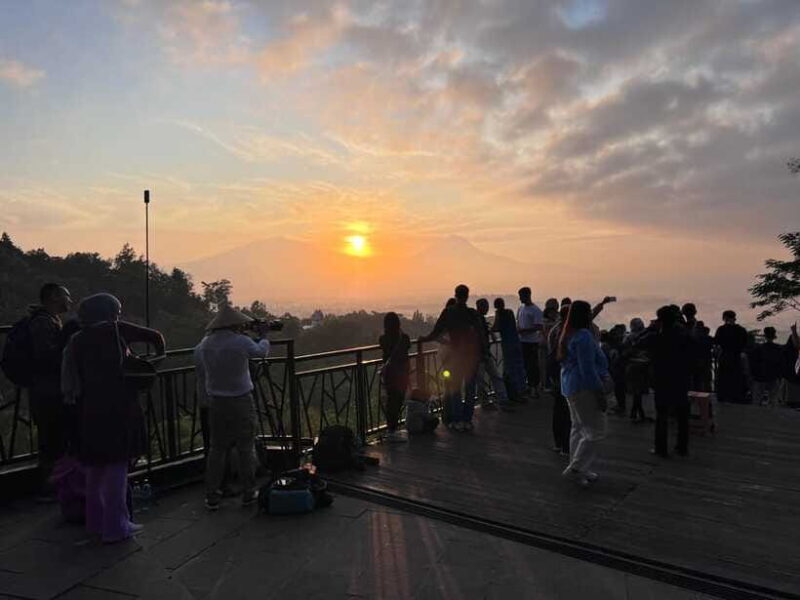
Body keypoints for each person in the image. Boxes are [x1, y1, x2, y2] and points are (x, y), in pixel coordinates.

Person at [61, 293, 165, 543]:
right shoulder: (113, 331)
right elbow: (155, 337)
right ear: (108, 313)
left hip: (88, 409)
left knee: (95, 469)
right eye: (117, 311)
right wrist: (156, 361)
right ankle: (116, 526)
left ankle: (95, 522)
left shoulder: (77, 340)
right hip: (118, 407)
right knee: (117, 468)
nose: (118, 316)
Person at [194, 305, 270, 511]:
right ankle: (248, 492)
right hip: (241, 400)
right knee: (245, 446)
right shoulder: (241, 341)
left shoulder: (205, 344)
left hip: (216, 401)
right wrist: (264, 336)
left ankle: (212, 495)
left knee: (217, 449)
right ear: (236, 324)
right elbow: (260, 352)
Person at [28, 283, 73, 498]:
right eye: (66, 296)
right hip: (47, 392)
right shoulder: (42, 323)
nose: (69, 301)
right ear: (54, 297)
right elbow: (47, 358)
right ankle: (50, 490)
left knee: (55, 440)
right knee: (51, 440)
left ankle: (57, 487)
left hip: (48, 390)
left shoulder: (49, 321)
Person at [557, 301, 609, 487]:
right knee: (596, 431)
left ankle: (579, 469)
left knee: (578, 428)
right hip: (584, 388)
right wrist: (599, 393)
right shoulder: (584, 336)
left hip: (570, 386)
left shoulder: (567, 334)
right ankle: (575, 469)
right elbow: (587, 369)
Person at [420, 285, 482, 432]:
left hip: (455, 356)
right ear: (467, 296)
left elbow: (436, 332)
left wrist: (424, 339)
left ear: (455, 295)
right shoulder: (471, 313)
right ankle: (467, 419)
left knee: (455, 389)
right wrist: (482, 353)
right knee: (470, 388)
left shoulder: (449, 312)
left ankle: (457, 419)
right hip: (471, 356)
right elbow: (480, 334)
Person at [639, 306, 695, 458]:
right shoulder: (684, 336)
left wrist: (649, 329)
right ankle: (682, 447)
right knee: (683, 415)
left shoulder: (655, 337)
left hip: (661, 379)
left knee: (662, 415)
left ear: (660, 320)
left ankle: (660, 448)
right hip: (681, 378)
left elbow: (636, 343)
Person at [474, 298, 513, 412]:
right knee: (487, 378)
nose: (487, 308)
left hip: (484, 353)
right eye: (485, 306)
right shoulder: (478, 320)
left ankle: (495, 400)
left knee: (490, 378)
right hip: (481, 354)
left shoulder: (479, 319)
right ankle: (494, 400)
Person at [379, 312, 411, 441]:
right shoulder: (404, 338)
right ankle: (393, 429)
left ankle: (390, 429)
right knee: (398, 400)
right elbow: (407, 347)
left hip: (390, 374)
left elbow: (385, 348)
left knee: (391, 400)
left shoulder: (383, 339)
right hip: (402, 373)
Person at [547, 303, 572, 455]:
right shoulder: (567, 332)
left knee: (558, 410)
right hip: (565, 374)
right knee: (567, 411)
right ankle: (566, 445)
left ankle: (558, 443)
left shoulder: (555, 330)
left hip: (556, 373)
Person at [492, 298, 527, 403]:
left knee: (510, 370)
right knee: (518, 368)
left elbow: (496, 327)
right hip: (515, 342)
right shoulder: (510, 312)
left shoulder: (501, 315)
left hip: (508, 345)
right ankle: (520, 391)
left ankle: (513, 394)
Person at [714, 310, 749, 403]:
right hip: (736, 357)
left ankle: (723, 396)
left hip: (725, 356)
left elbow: (717, 342)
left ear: (724, 318)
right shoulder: (741, 330)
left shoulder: (721, 329)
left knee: (723, 378)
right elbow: (745, 344)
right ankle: (735, 396)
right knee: (735, 378)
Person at [517, 287, 544, 396]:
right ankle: (528, 386)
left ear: (527, 295)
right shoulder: (521, 308)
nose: (520, 298)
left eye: (521, 296)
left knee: (532, 365)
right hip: (522, 341)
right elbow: (518, 321)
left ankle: (535, 387)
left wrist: (525, 330)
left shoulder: (535, 310)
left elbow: (539, 326)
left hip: (532, 342)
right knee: (525, 365)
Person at [624, 318, 651, 422]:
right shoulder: (646, 336)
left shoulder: (628, 337)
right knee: (639, 390)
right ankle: (637, 412)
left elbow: (624, 351)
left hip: (632, 366)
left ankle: (636, 412)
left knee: (636, 390)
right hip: (643, 366)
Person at [750, 327, 785, 407]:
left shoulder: (758, 348)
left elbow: (753, 362)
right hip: (773, 376)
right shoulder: (778, 348)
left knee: (757, 399)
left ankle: (756, 415)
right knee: (773, 399)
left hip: (760, 376)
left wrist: (753, 375)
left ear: (765, 336)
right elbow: (781, 363)